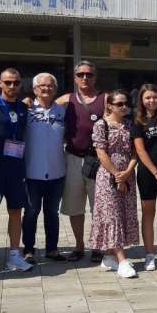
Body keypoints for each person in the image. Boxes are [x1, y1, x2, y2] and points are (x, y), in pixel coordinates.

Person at [0, 68, 32, 275]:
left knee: (16, 212)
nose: (12, 86)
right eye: (7, 82)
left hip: (16, 170)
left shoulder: (23, 108)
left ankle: (14, 256)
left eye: (16, 83)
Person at [57, 61, 106, 262]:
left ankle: (98, 246)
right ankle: (79, 246)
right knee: (75, 206)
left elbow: (128, 111)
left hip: (98, 161)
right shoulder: (66, 100)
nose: (85, 78)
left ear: (95, 77)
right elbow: (40, 104)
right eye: (81, 74)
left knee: (100, 207)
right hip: (74, 159)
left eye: (89, 74)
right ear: (75, 77)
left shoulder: (105, 99)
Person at [91, 90, 139, 278]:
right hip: (108, 174)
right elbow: (101, 152)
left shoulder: (130, 124)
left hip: (128, 173)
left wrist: (127, 172)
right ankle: (122, 260)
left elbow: (136, 151)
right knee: (112, 215)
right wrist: (117, 176)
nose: (124, 106)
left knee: (124, 212)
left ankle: (109, 257)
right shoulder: (101, 125)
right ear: (110, 106)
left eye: (125, 103)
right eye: (119, 104)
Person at [23, 73, 67, 263]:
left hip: (57, 172)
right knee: (31, 212)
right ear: (34, 90)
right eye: (41, 86)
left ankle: (52, 249)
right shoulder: (26, 109)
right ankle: (28, 249)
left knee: (52, 213)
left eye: (50, 85)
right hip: (32, 172)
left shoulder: (63, 111)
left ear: (55, 89)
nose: (46, 88)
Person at [132, 84, 157, 272]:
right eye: (147, 98)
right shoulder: (138, 121)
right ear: (142, 100)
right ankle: (149, 254)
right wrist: (156, 173)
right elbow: (140, 150)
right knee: (148, 214)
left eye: (155, 97)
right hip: (149, 173)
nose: (151, 101)